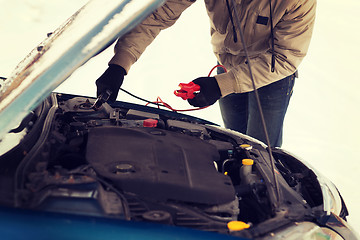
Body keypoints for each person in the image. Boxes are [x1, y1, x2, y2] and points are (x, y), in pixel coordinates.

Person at [95, 0, 316, 147]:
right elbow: (157, 16)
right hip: (227, 66)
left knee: (260, 151)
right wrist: (119, 65)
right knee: (234, 142)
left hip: (272, 76)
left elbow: (287, 56)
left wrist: (221, 86)